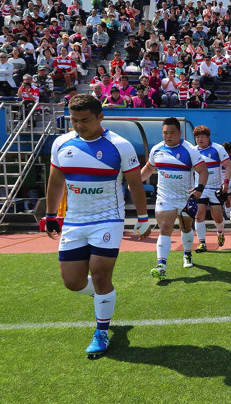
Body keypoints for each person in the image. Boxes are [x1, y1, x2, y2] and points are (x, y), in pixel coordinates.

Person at [43, 94, 151, 357]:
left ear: (100, 117)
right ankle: (104, 297)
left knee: (101, 274)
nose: (79, 126)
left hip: (108, 219)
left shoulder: (120, 145)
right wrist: (50, 215)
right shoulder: (61, 143)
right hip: (74, 221)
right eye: (74, 120)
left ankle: (101, 331)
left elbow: (135, 184)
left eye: (85, 120)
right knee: (73, 282)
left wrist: (143, 218)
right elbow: (55, 182)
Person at [141, 118, 209, 279]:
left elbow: (203, 171)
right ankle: (161, 265)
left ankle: (187, 253)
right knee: (165, 228)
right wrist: (136, 182)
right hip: (165, 197)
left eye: (172, 133)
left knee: (186, 228)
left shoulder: (190, 150)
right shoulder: (157, 149)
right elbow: (149, 168)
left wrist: (199, 189)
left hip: (185, 198)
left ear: (180, 133)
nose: (168, 136)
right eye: (165, 133)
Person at [190, 126, 231, 252]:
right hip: (200, 188)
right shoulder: (193, 150)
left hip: (215, 188)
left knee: (217, 218)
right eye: (197, 137)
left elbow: (228, 167)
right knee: (199, 215)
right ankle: (202, 243)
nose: (199, 139)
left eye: (202, 137)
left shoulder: (218, 149)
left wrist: (226, 183)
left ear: (208, 137)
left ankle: (220, 232)